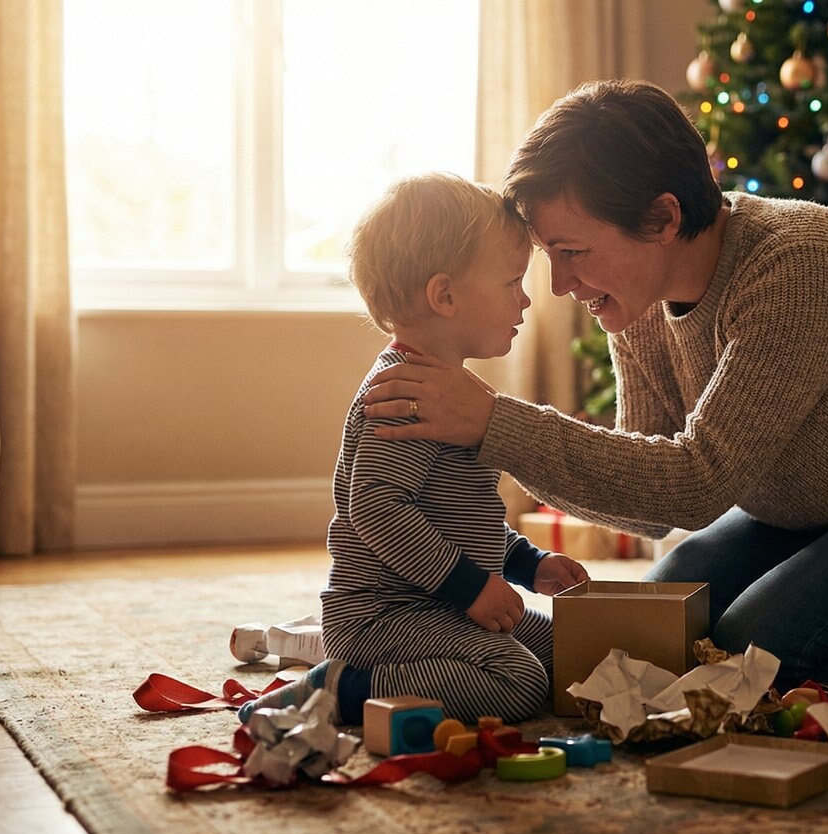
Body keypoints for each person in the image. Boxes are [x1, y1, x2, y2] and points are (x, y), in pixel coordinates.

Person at [361, 80, 828, 689]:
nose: (561, 286)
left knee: (754, 655)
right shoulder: (632, 296)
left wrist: (493, 423)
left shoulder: (798, 268)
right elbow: (652, 500)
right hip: (808, 513)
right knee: (662, 622)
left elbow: (697, 481)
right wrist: (495, 433)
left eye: (571, 252)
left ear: (661, 219)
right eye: (548, 257)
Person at [241, 173, 589, 726]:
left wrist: (528, 562)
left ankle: (366, 676)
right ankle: (340, 686)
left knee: (570, 655)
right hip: (385, 615)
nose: (526, 299)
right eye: (511, 282)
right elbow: (377, 510)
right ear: (445, 296)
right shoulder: (403, 394)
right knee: (518, 682)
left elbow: (457, 516)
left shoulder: (451, 392)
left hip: (440, 603)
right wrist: (473, 587)